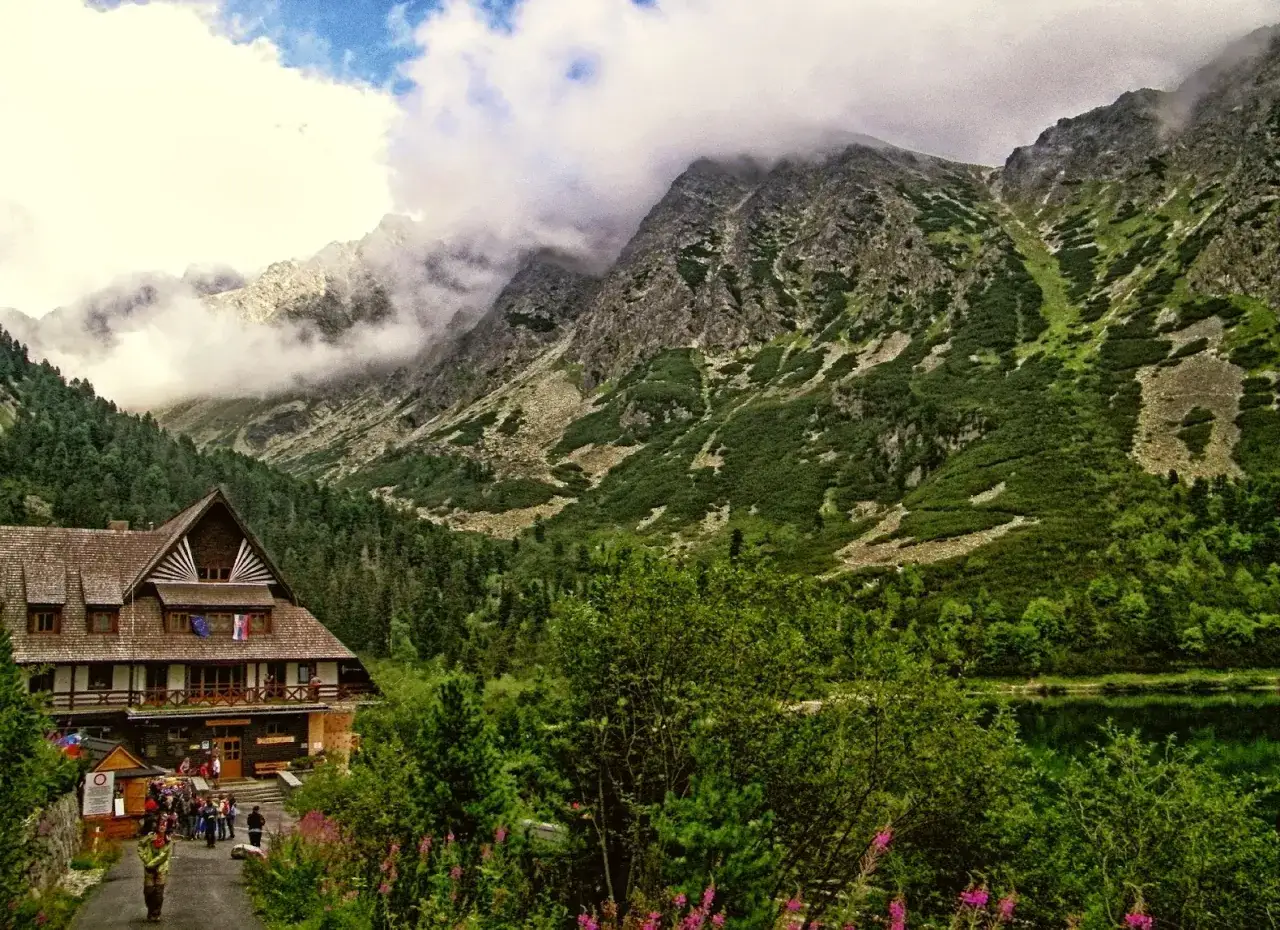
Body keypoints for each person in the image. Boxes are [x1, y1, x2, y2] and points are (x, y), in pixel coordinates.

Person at [136, 818, 174, 922]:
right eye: (160, 825)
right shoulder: (150, 837)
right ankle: (150, 910)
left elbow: (164, 855)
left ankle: (156, 913)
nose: (162, 827)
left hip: (161, 868)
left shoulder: (168, 840)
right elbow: (140, 846)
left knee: (158, 892)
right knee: (148, 892)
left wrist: (151, 864)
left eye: (164, 825)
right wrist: (145, 858)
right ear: (157, 826)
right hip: (148, 868)